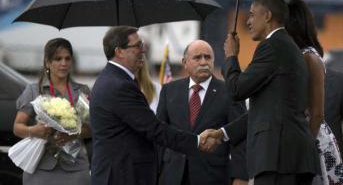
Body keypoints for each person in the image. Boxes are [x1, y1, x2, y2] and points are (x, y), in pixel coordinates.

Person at [89, 26, 221, 185]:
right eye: (137, 46)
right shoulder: (119, 85)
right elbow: (153, 129)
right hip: (122, 175)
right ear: (119, 51)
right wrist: (197, 141)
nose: (143, 50)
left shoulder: (113, 79)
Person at [222, 0, 320, 185]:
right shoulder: (287, 46)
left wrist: (231, 57)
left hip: (278, 158)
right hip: (293, 158)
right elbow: (269, 108)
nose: (248, 21)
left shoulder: (271, 46)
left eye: (251, 15)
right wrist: (223, 133)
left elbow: (236, 89)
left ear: (267, 15)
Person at [157, 40, 249, 185]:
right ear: (184, 62)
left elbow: (240, 137)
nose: (203, 62)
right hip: (172, 175)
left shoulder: (230, 92)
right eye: (197, 57)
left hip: (213, 176)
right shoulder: (169, 91)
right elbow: (160, 135)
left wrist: (240, 177)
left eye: (208, 57)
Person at [13, 38, 92, 185]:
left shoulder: (82, 91)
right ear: (47, 62)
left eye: (67, 58)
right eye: (58, 59)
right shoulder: (34, 90)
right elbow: (17, 127)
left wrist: (73, 134)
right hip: (40, 169)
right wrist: (35, 130)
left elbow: (92, 129)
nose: (64, 63)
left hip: (76, 169)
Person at [286, 0, 343, 185]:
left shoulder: (310, 57)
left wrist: (304, 149)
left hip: (312, 142)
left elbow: (317, 113)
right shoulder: (297, 55)